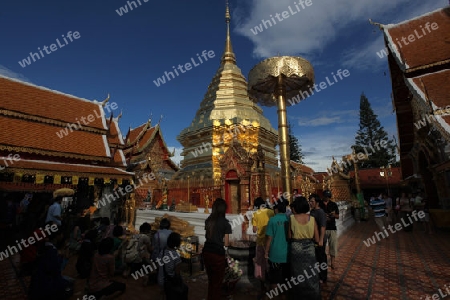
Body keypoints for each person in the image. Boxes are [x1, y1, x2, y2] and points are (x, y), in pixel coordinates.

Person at [28, 225, 73, 300]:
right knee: (70, 284)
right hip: (46, 284)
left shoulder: (45, 246)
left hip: (38, 281)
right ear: (58, 236)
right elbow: (56, 272)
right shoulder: (52, 252)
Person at [289, 197, 320, 299]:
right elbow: (317, 238)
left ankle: (299, 295)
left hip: (296, 248)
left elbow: (289, 236)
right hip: (309, 248)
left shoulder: (292, 218)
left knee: (297, 273)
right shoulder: (312, 218)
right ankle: (313, 295)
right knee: (311, 272)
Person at [202, 198, 232, 300]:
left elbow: (208, 236)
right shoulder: (225, 223)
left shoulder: (208, 220)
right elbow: (226, 243)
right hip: (217, 254)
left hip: (206, 252)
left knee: (211, 280)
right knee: (217, 283)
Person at [264, 199, 289, 298]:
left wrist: (266, 252)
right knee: (285, 277)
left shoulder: (272, 220)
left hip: (275, 253)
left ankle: (276, 295)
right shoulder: (289, 219)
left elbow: (269, 238)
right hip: (287, 253)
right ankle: (284, 295)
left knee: (274, 278)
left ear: (276, 209)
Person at [252, 197, 275, 298]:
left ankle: (262, 284)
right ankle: (271, 283)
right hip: (271, 242)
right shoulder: (271, 212)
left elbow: (254, 229)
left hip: (260, 242)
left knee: (260, 263)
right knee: (270, 262)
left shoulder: (256, 214)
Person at [157, 232, 186, 300]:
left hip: (160, 279)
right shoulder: (176, 256)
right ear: (177, 244)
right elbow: (177, 273)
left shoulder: (162, 251)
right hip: (169, 282)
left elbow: (158, 265)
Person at [309, 194, 327, 283]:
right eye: (310, 201)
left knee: (321, 258)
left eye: (312, 201)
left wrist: (321, 239)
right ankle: (316, 274)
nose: (310, 203)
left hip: (320, 238)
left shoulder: (320, 212)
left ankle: (322, 276)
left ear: (317, 202)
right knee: (315, 258)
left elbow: (323, 226)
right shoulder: (312, 212)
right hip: (313, 239)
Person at [319, 190, 339, 270]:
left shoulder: (333, 204)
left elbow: (338, 216)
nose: (327, 198)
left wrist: (333, 215)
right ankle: (322, 262)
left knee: (333, 245)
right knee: (322, 246)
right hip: (322, 227)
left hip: (332, 228)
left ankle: (333, 262)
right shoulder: (319, 204)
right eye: (326, 196)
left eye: (328, 197)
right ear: (323, 196)